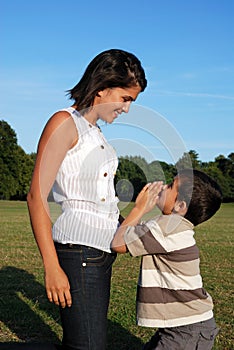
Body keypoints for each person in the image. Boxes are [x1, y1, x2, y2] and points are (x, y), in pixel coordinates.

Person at [27, 48, 147, 350]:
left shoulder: (96, 133)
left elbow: (101, 203)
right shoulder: (64, 123)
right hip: (79, 256)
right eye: (126, 98)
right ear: (103, 87)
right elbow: (36, 197)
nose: (127, 109)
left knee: (89, 341)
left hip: (100, 255)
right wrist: (51, 266)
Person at [111, 169, 222, 350]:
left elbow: (119, 243)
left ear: (180, 206)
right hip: (187, 325)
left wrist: (139, 208)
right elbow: (130, 231)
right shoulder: (173, 227)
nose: (163, 186)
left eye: (171, 185)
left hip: (187, 329)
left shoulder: (166, 228)